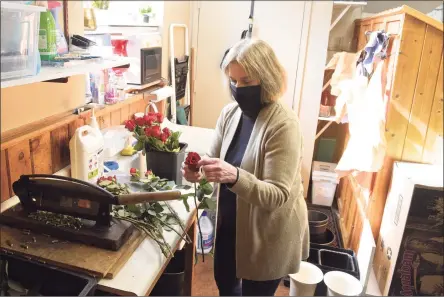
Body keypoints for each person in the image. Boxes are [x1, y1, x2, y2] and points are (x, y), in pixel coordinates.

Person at [182, 38, 309, 296]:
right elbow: (212, 160)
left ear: (267, 78)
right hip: (231, 225)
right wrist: (197, 173)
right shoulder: (230, 114)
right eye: (234, 80)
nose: (238, 88)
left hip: (267, 234)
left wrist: (234, 176)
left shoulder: (284, 125)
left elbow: (278, 195)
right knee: (226, 285)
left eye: (247, 81)